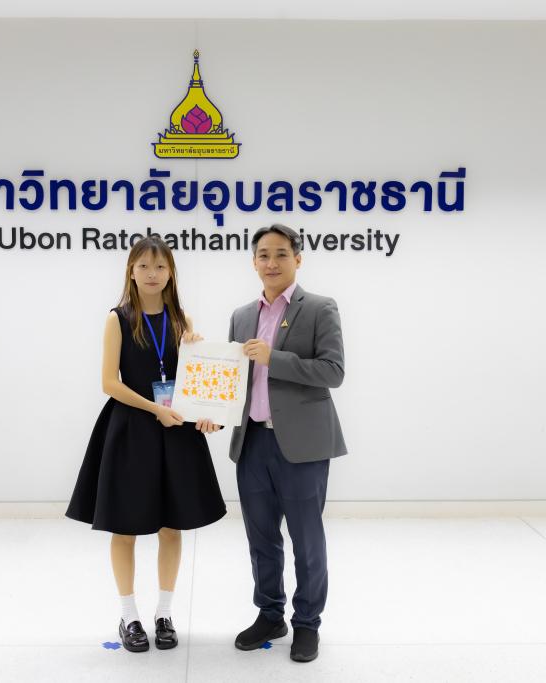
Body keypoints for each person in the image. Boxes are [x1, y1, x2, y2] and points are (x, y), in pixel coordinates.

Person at [66, 236, 226, 653]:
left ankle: (164, 613)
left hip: (176, 431)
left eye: (160, 266)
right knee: (125, 527)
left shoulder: (182, 320)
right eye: (143, 266)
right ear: (131, 272)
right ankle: (129, 616)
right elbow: (109, 382)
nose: (152, 274)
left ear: (171, 272)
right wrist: (154, 409)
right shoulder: (118, 319)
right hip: (132, 431)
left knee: (172, 526)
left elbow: (195, 381)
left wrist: (205, 407)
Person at [228, 224, 346, 663]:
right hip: (252, 443)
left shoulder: (319, 308)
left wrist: (273, 358)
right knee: (261, 538)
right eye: (263, 255)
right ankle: (270, 614)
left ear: (298, 258)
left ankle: (308, 623)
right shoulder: (242, 315)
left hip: (302, 447)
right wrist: (212, 407)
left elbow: (333, 371)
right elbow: (234, 379)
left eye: (281, 254)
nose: (271, 262)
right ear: (253, 262)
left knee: (306, 540)